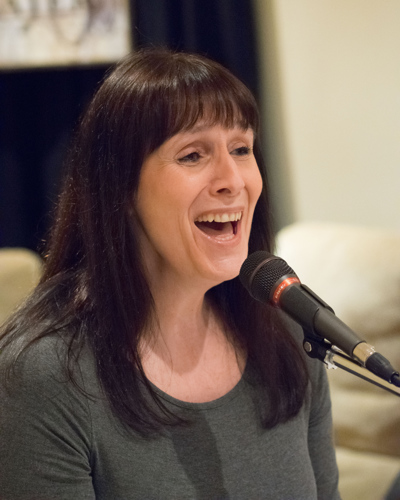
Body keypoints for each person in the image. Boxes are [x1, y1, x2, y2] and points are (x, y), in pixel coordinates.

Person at [0, 48, 341, 499]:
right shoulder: (43, 376)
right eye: (193, 155)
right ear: (119, 187)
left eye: (241, 149)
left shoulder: (292, 336)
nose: (232, 179)